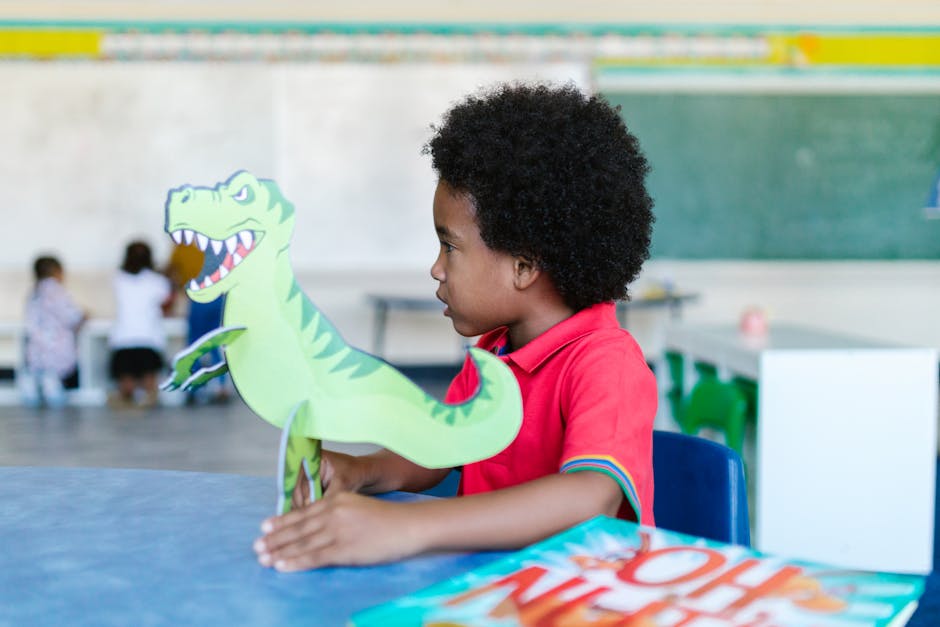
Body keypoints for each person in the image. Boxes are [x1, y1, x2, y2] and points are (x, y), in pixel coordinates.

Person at [253, 82, 657, 571]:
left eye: (450, 246)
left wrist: (407, 528)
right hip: (490, 588)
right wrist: (358, 472)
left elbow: (587, 497)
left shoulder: (606, 362)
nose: (437, 269)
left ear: (524, 266)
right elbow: (436, 450)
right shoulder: (494, 354)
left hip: (580, 597)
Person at [107, 240, 173, 409]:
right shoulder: (157, 281)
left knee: (126, 383)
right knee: (149, 383)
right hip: (149, 337)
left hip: (123, 337)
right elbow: (166, 305)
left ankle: (128, 405)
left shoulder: (118, 279)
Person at [18, 255, 87, 408]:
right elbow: (71, 315)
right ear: (57, 271)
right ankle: (50, 389)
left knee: (39, 375)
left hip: (36, 345)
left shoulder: (34, 292)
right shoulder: (57, 291)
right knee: (53, 380)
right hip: (56, 343)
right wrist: (85, 316)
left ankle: (32, 388)